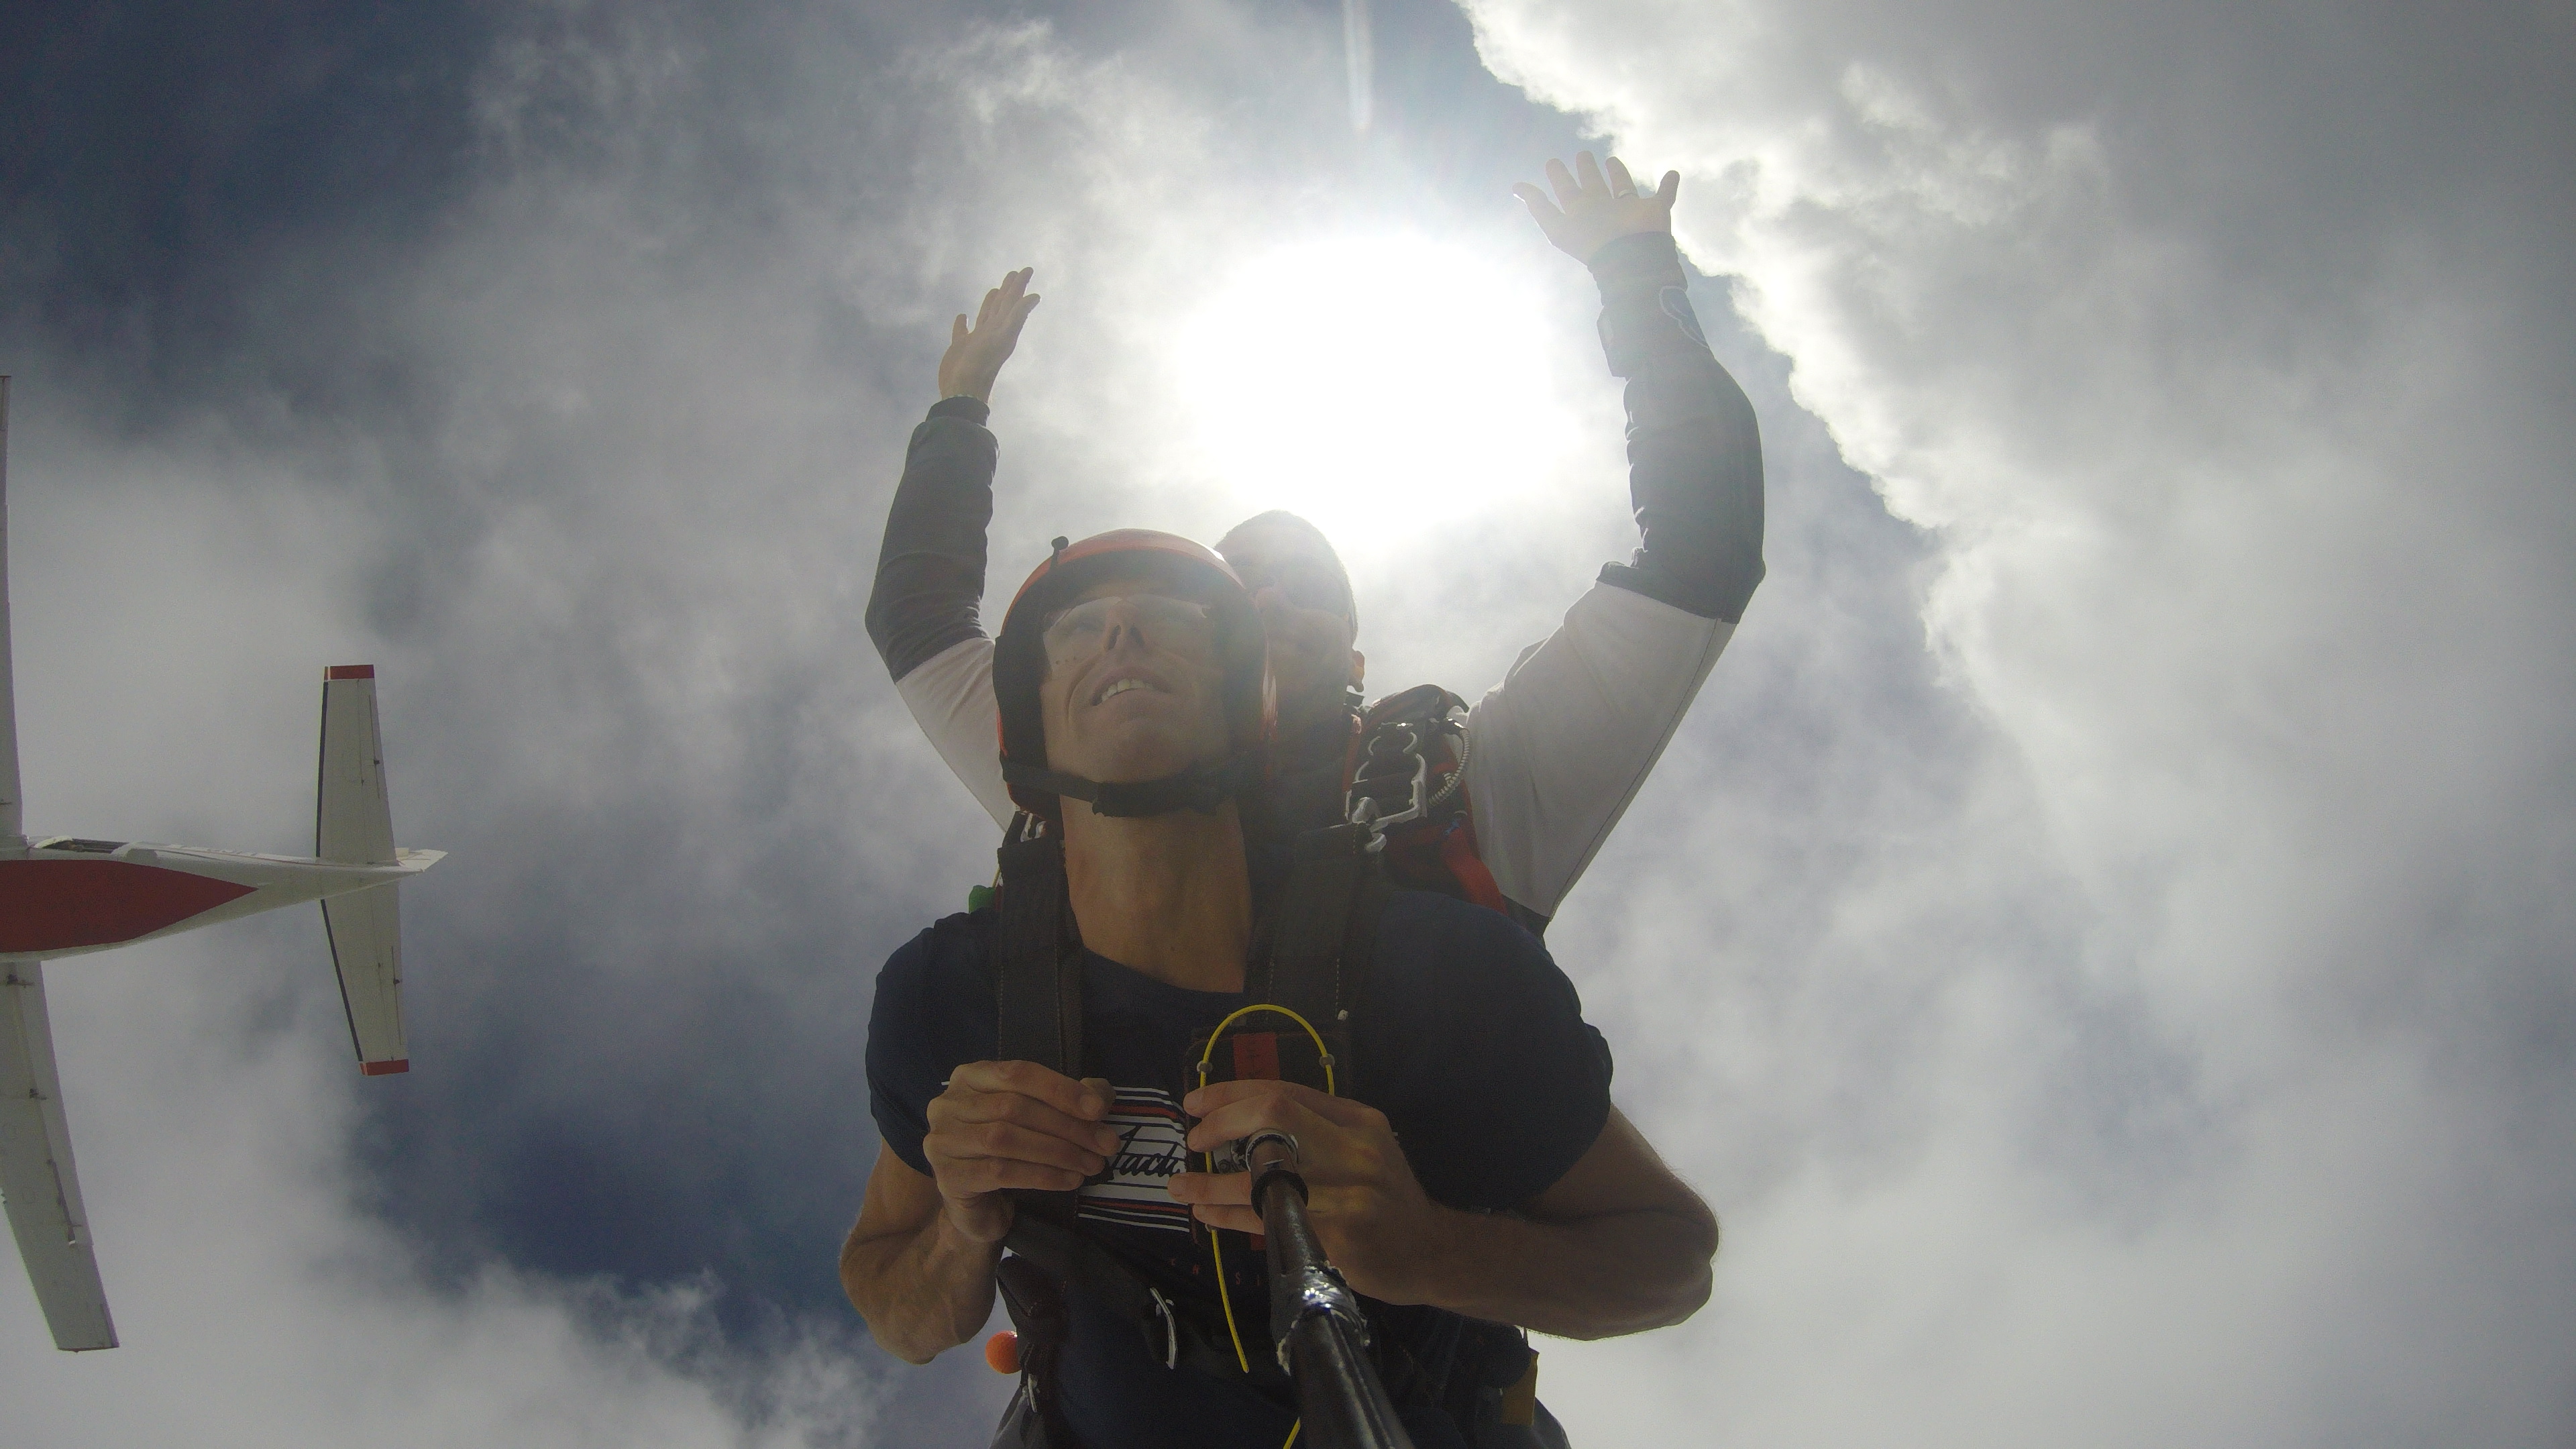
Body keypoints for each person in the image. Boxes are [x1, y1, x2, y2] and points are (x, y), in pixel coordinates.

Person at [841, 531, 1718, 1448]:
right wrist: (961, 1228)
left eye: (1173, 622)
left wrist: (1431, 1251)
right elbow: (899, 1309)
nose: (1123, 634)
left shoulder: (1434, 977)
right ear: (1030, 728)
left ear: (1246, 708)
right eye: (1078, 628)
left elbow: (1670, 1256)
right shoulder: (953, 1000)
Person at [866, 153, 1764, 934]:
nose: (1270, 598)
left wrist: (1637, 281)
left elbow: (1701, 549)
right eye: (1238, 583)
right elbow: (917, 622)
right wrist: (959, 411)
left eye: (1309, 590)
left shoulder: (1481, 789)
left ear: (1357, 663)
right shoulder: (1084, 756)